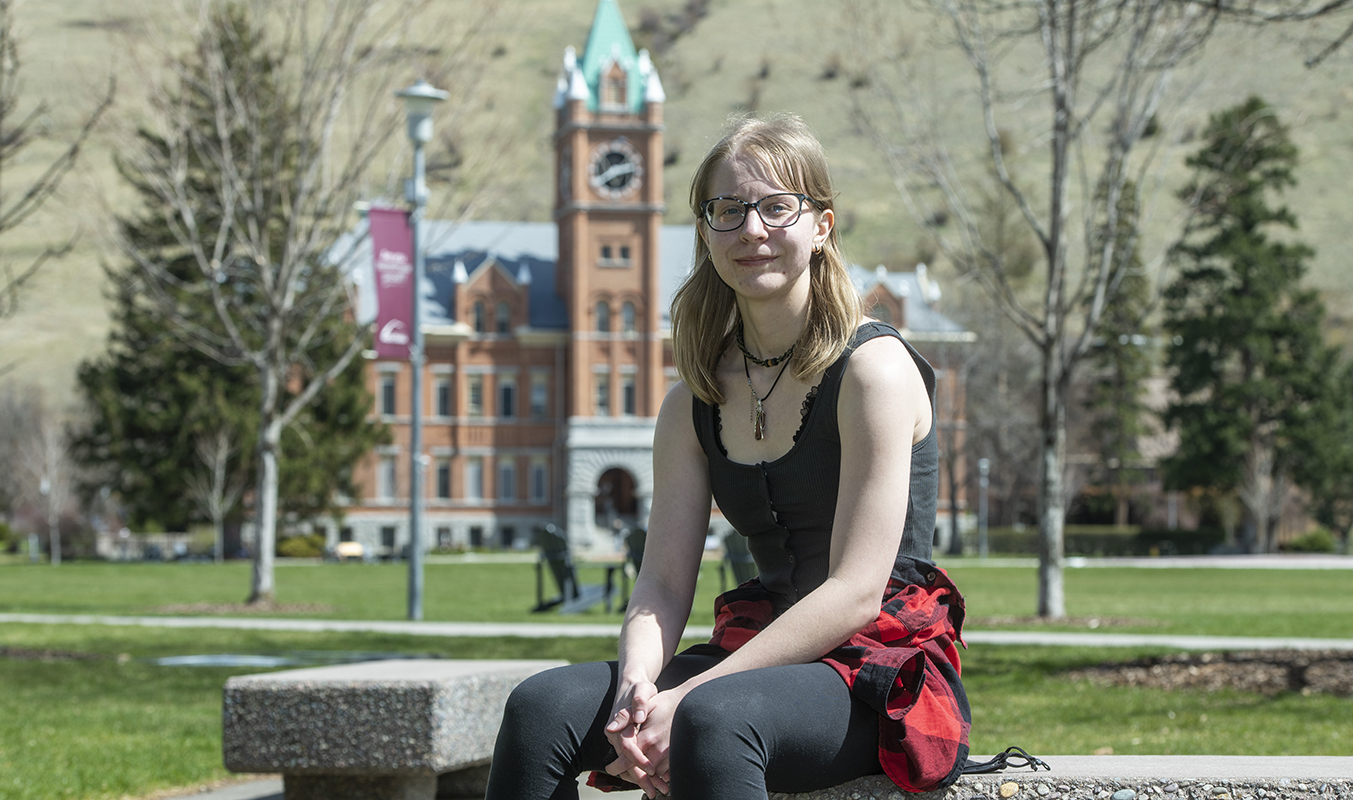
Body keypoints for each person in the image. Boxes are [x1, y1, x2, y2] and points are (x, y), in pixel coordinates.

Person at [486, 113, 969, 800]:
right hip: (757, 656)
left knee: (712, 719)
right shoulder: (693, 401)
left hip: (877, 669)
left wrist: (687, 698)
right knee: (541, 708)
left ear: (822, 227)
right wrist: (637, 687)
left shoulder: (874, 371)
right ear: (706, 230)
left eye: (778, 207)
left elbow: (857, 591)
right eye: (729, 210)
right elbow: (659, 585)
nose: (752, 230)